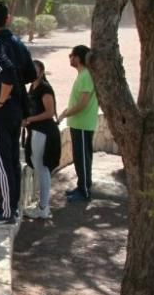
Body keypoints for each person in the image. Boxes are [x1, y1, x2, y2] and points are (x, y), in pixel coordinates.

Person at [0, 0, 35, 228]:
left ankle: (6, 212)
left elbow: (8, 74)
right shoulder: (17, 42)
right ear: (8, 18)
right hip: (15, 113)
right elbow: (30, 73)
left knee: (0, 164)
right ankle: (9, 206)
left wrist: (1, 99)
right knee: (10, 161)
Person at [58, 45, 98, 202]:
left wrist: (65, 113)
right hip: (79, 124)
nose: (70, 58)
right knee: (80, 157)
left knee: (83, 158)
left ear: (78, 58)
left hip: (83, 124)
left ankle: (85, 192)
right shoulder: (82, 75)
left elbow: (82, 104)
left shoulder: (86, 76)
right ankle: (82, 186)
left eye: (71, 55)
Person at [23, 60, 61, 219]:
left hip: (43, 132)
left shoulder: (45, 88)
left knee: (42, 169)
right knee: (38, 166)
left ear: (42, 71)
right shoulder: (33, 86)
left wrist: (30, 119)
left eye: (35, 69)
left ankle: (43, 208)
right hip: (35, 131)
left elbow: (50, 112)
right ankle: (42, 205)